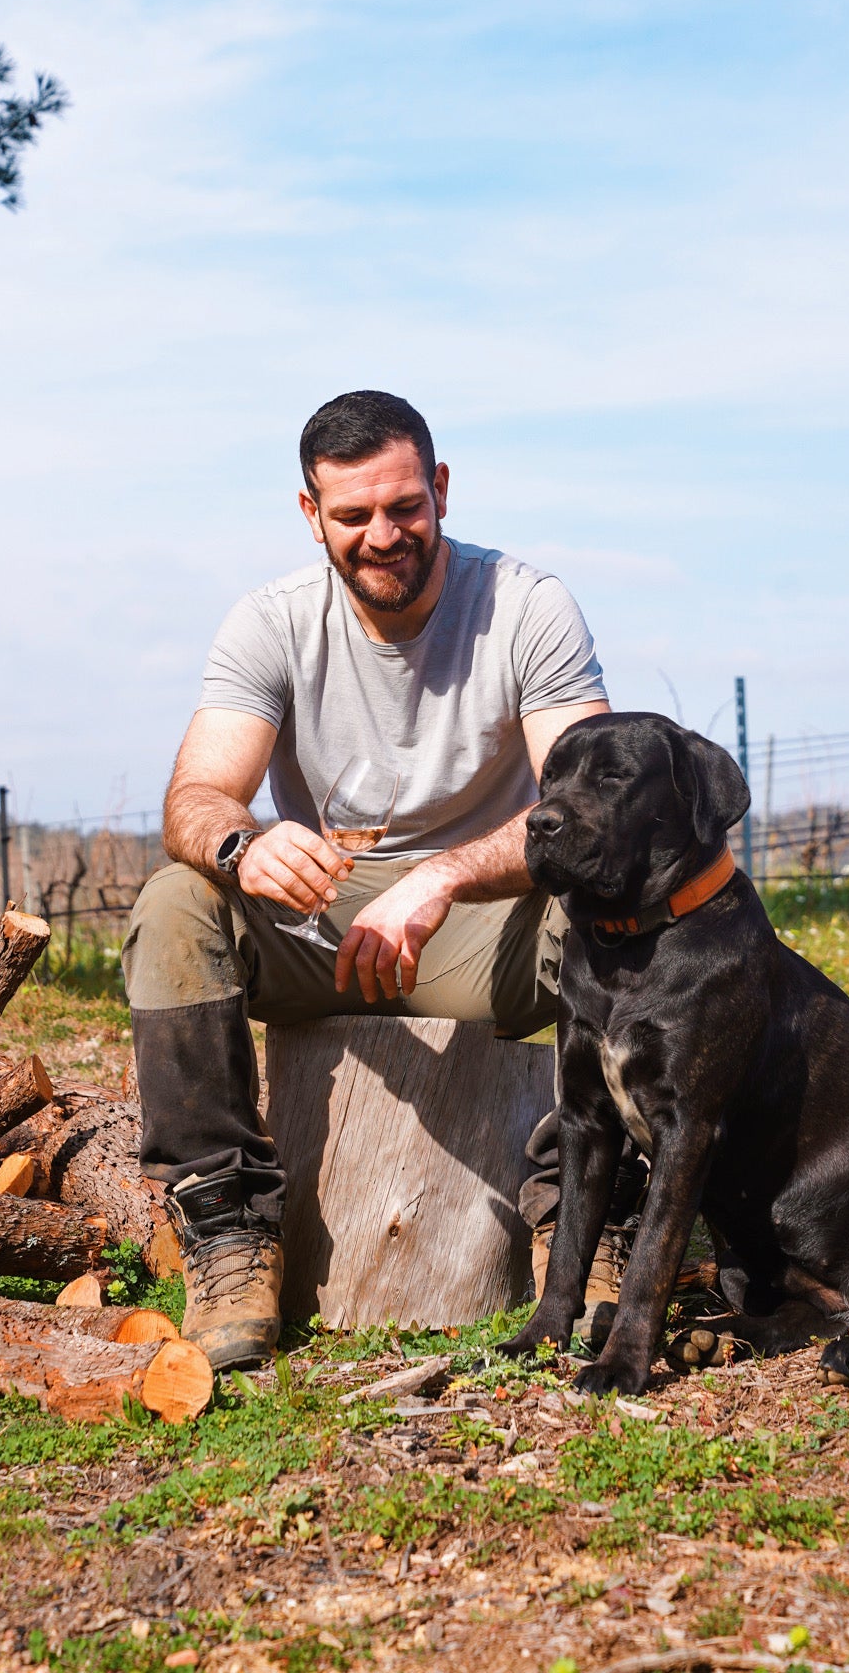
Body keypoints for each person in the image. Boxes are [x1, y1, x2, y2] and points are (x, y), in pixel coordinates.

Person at [123, 389, 635, 1370]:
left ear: (439, 488)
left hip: (484, 922)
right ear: (312, 514)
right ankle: (230, 1233)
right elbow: (195, 796)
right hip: (317, 922)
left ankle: (593, 1219)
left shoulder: (527, 605)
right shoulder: (269, 622)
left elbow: (589, 808)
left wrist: (444, 872)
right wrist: (242, 844)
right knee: (173, 904)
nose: (383, 534)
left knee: (612, 904)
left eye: (404, 505)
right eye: (353, 515)